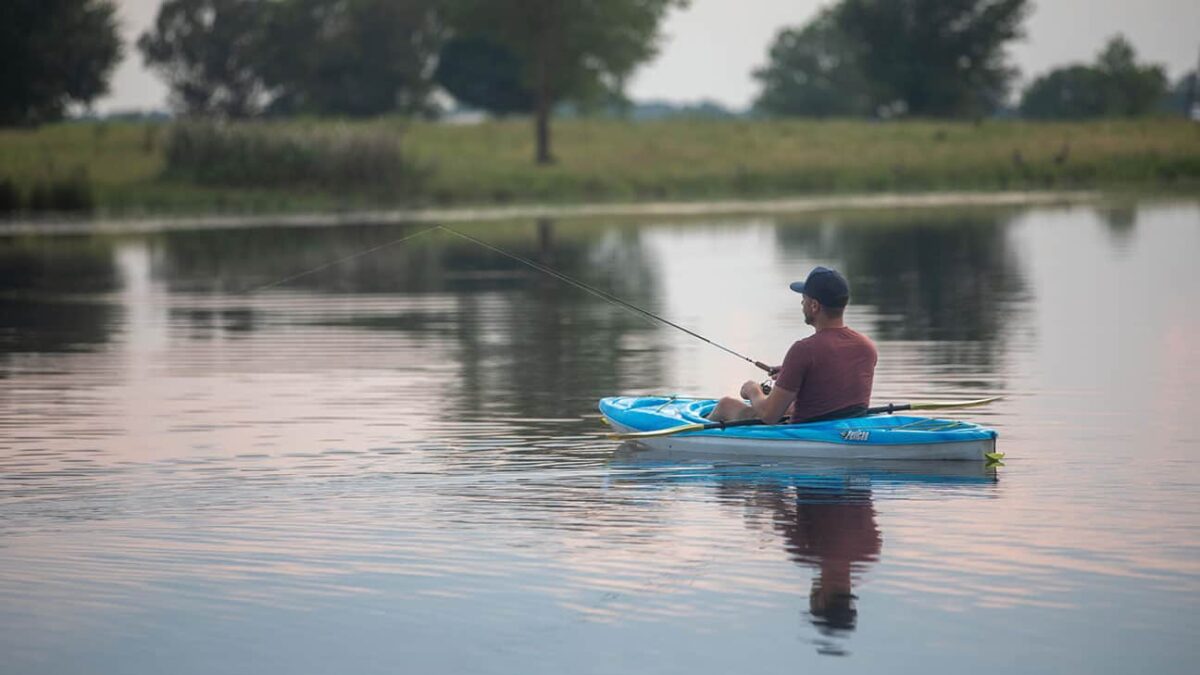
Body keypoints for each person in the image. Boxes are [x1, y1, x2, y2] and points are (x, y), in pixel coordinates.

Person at [708, 266, 877, 424]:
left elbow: (769, 416)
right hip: (845, 427)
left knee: (726, 404)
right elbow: (833, 386)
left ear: (814, 306)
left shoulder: (803, 350)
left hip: (808, 433)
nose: (801, 304)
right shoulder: (866, 346)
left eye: (803, 299)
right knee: (788, 407)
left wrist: (753, 390)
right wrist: (792, 373)